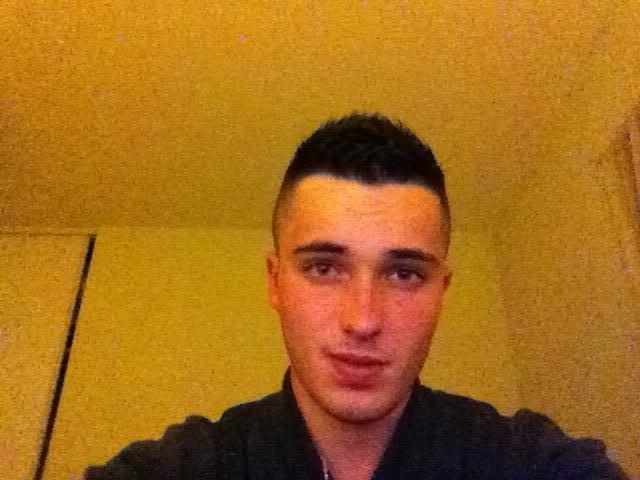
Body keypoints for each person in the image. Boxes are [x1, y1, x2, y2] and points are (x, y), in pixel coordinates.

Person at [85, 113, 629, 479]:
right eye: (324, 268)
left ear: (441, 291)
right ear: (275, 282)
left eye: (404, 274)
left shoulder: (521, 459)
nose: (363, 320)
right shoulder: (187, 466)